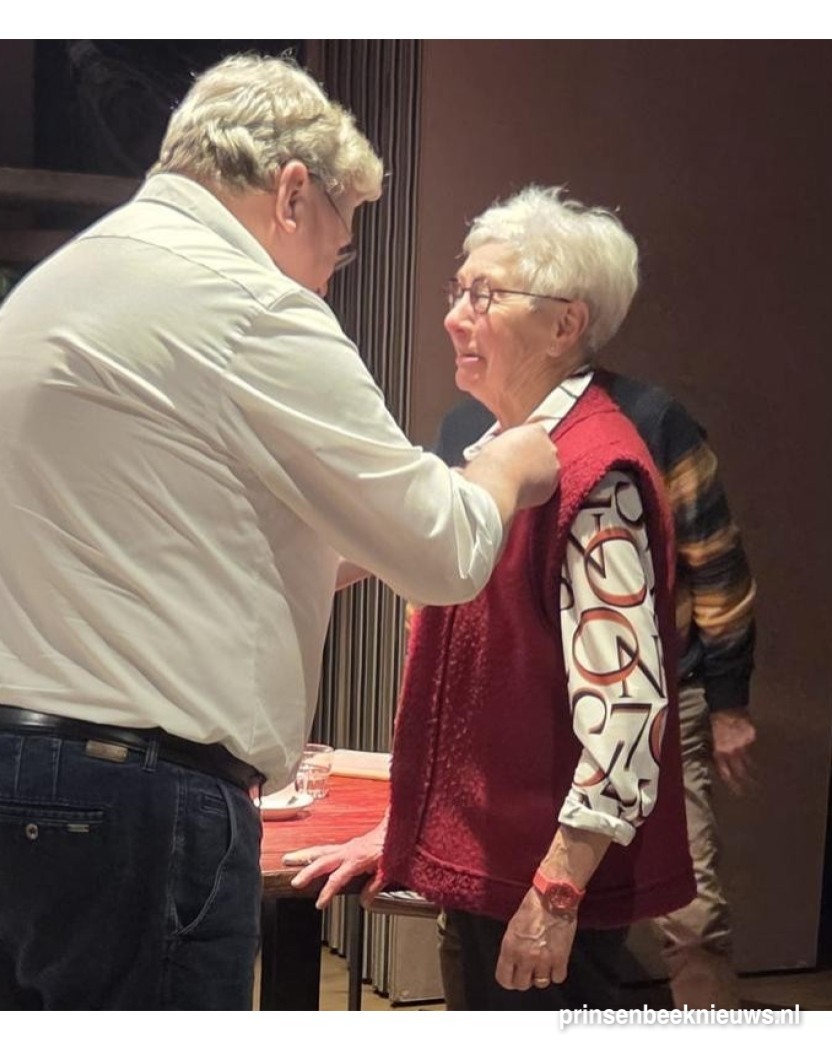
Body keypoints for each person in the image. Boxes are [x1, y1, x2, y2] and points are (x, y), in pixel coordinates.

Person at [0, 54, 559, 1010]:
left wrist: (362, 541)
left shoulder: (62, 281)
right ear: (292, 195)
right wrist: (504, 468)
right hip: (112, 793)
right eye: (339, 244)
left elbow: (174, 542)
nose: (329, 281)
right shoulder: (251, 304)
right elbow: (446, 551)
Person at [287, 186, 696, 1009]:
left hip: (536, 883)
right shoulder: (500, 453)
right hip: (493, 871)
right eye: (458, 290)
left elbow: (628, 711)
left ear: (565, 324)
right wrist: (408, 829)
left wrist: (556, 894)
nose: (454, 318)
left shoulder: (595, 473)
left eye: (484, 295)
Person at [434, 372, 756, 1009]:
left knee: (691, 919)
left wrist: (728, 703)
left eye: (484, 309)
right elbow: (447, 580)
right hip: (516, 719)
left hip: (652, 703)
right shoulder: (465, 428)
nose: (458, 324)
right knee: (468, 902)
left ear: (566, 325)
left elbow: (716, 562)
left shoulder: (647, 421)